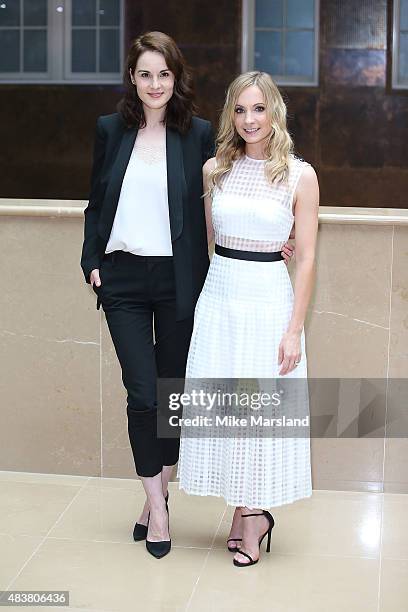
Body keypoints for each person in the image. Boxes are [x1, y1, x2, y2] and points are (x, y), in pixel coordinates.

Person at [81, 31, 294, 560]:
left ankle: (156, 489)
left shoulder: (198, 136)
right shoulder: (110, 130)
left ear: (176, 80)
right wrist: (91, 261)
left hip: (181, 284)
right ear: (132, 78)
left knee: (173, 400)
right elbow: (96, 203)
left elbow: (244, 172)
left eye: (165, 74)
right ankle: (157, 505)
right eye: (145, 74)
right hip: (124, 281)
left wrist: (278, 232)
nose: (155, 84)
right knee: (144, 395)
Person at [177, 71, 319, 567]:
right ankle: (244, 509)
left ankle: (254, 514)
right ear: (230, 116)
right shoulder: (215, 168)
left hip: (268, 302)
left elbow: (306, 258)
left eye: (258, 109)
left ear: (274, 112)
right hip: (220, 297)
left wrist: (294, 329)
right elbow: (213, 239)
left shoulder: (300, 175)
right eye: (240, 110)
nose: (249, 119)